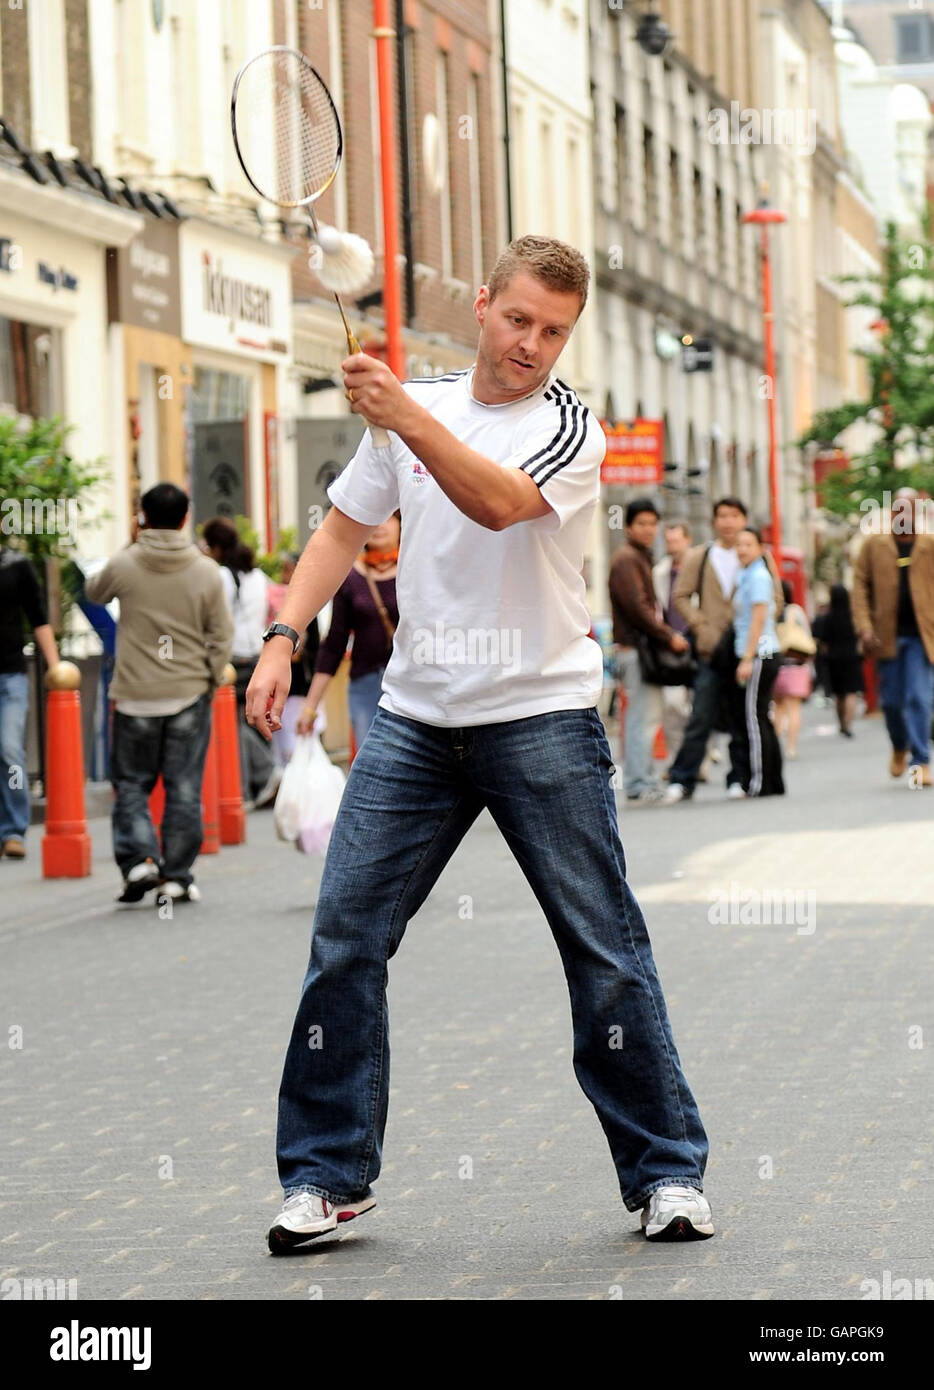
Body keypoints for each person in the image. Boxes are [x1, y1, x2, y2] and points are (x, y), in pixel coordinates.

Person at [247, 235, 714, 1249]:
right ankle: (324, 1178)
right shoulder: (415, 408)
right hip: (416, 720)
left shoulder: (570, 428)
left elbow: (498, 503)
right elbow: (338, 529)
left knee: (604, 953)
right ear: (481, 307)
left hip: (539, 712)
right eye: (518, 320)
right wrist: (283, 634)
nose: (533, 344)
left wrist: (400, 413)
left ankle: (667, 1172)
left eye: (554, 330)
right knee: (344, 942)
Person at [84, 484, 233, 904]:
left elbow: (94, 591)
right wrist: (206, 677)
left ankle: (138, 863)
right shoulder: (205, 571)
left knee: (131, 783)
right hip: (187, 691)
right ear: (186, 518)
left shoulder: (127, 564)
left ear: (143, 516)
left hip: (134, 694)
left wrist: (131, 540)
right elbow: (221, 635)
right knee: (183, 785)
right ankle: (177, 876)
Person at [664, 497, 784, 802]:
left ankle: (740, 777)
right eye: (722, 516)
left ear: (744, 520)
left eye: (734, 516)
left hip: (746, 651)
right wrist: (701, 626)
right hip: (711, 650)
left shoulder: (759, 559)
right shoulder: (701, 556)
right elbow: (680, 596)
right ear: (714, 521)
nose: (728, 522)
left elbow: (776, 600)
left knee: (743, 717)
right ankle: (683, 778)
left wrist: (754, 627)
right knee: (701, 714)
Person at [608, 501, 689, 804]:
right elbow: (639, 609)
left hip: (641, 650)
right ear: (628, 527)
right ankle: (639, 782)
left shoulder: (638, 557)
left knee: (645, 716)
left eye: (652, 523)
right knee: (642, 718)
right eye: (641, 523)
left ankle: (642, 779)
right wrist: (668, 636)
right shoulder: (627, 559)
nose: (648, 529)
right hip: (637, 650)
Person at [297, 513, 401, 750]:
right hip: (365, 685)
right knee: (373, 762)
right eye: (374, 516)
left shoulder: (417, 570)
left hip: (413, 685)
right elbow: (334, 644)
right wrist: (310, 707)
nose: (380, 525)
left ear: (401, 523)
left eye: (388, 518)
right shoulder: (350, 577)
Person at [851, 488, 934, 783]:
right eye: (899, 510)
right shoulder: (874, 546)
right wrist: (864, 625)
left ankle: (921, 761)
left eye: (910, 510)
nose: (904, 516)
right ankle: (899, 746)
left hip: (922, 638)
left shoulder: (929, 545)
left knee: (919, 698)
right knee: (891, 703)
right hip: (885, 637)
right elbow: (859, 586)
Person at [203, 519, 278, 808]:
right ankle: (259, 779)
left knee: (232, 724)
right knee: (249, 718)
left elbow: (215, 618)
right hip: (257, 655)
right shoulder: (258, 576)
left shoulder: (222, 576)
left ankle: (257, 778)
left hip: (232, 659)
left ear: (216, 547)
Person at [0, 543, 60, 859]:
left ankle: (13, 830)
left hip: (10, 675)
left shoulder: (16, 565)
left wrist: (56, 667)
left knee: (10, 748)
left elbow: (39, 618)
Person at [729, 527, 784, 798]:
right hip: (760, 653)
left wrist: (747, 658)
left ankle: (761, 782)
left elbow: (758, 620)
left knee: (753, 718)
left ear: (760, 548)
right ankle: (774, 782)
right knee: (761, 716)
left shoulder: (758, 576)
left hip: (760, 654)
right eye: (738, 544)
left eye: (747, 544)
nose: (741, 549)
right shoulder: (747, 574)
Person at [652, 520, 695, 774]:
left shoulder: (700, 566)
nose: (672, 545)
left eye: (676, 540)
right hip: (670, 644)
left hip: (696, 641)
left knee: (698, 705)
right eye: (668, 541)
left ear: (687, 540)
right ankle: (677, 760)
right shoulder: (660, 571)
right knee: (673, 706)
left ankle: (696, 759)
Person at [812, 584, 863, 738]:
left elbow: (823, 642)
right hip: (852, 657)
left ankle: (841, 723)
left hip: (834, 659)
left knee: (839, 693)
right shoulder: (853, 617)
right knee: (851, 692)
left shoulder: (828, 618)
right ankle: (848, 724)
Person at [772, 580, 813, 759]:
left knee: (777, 708)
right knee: (793, 709)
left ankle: (774, 746)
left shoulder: (772, 612)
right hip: (795, 665)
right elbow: (807, 635)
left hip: (776, 665)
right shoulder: (795, 611)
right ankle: (791, 747)